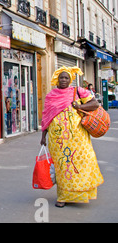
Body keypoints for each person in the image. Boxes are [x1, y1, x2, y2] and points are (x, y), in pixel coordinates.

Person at [40, 66, 104, 208]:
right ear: (57, 79)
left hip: (78, 139)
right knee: (62, 167)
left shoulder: (78, 92)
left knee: (80, 164)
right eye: (61, 77)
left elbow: (95, 104)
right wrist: (43, 135)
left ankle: (81, 193)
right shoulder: (51, 95)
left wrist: (79, 107)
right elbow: (46, 117)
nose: (63, 80)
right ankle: (62, 197)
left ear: (70, 80)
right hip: (57, 140)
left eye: (66, 78)